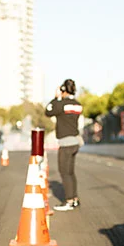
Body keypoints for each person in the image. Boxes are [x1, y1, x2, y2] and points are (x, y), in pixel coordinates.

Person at [45, 79, 83, 211]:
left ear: (63, 89)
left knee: (64, 172)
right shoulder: (78, 105)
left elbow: (48, 111)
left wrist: (56, 98)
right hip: (75, 141)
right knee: (70, 172)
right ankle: (75, 199)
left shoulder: (61, 104)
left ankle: (69, 201)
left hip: (66, 143)